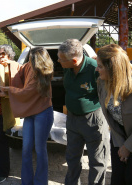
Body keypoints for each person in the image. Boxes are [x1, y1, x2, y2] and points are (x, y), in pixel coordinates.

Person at [57, 39, 110, 185]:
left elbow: (107, 96)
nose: (58, 61)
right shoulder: (67, 67)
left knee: (97, 161)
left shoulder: (95, 69)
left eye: (61, 59)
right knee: (72, 159)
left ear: (74, 60)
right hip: (73, 120)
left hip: (93, 120)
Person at [0, 47, 54, 185]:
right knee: (26, 148)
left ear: (39, 61)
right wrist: (9, 63)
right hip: (30, 113)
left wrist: (8, 90)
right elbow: (20, 69)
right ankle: (27, 182)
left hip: (43, 113)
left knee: (40, 149)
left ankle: (40, 182)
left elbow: (26, 92)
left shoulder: (44, 73)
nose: (29, 61)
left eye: (31, 59)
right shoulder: (29, 66)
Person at [96, 44, 132, 185]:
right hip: (119, 137)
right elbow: (110, 119)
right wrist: (121, 144)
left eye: (100, 66)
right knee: (117, 179)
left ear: (113, 69)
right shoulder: (102, 82)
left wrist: (129, 147)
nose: (96, 69)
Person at [0, 44, 20, 184]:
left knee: (3, 141)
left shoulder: (16, 68)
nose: (1, 56)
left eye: (4, 53)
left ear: (10, 55)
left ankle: (3, 171)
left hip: (8, 111)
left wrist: (5, 93)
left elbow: (20, 90)